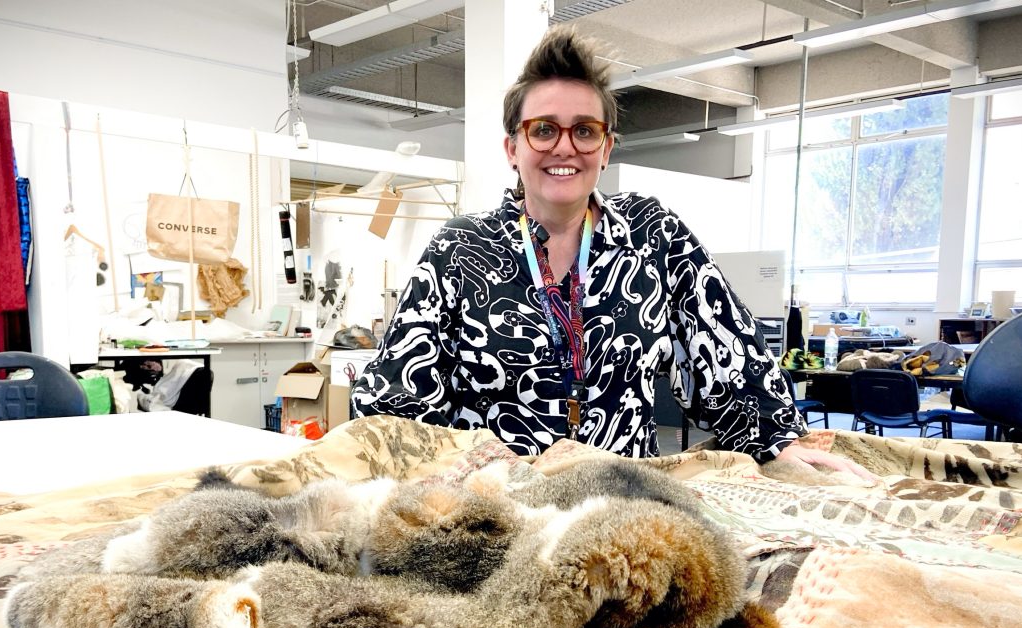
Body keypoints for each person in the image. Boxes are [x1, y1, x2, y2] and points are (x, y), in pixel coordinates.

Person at [351, 26, 872, 482]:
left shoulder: (654, 235)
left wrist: (779, 438)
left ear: (606, 147)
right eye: (543, 129)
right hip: (501, 521)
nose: (564, 147)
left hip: (624, 515)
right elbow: (397, 398)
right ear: (513, 148)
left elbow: (728, 351)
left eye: (585, 130)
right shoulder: (460, 250)